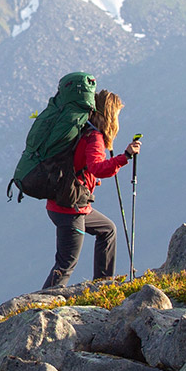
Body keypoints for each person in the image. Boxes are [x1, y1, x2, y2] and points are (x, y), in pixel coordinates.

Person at [42, 90, 137, 289]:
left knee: (107, 229)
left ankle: (102, 286)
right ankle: (38, 307)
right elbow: (97, 168)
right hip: (70, 209)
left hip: (68, 203)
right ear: (109, 115)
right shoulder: (94, 137)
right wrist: (125, 156)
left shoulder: (82, 129)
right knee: (66, 264)